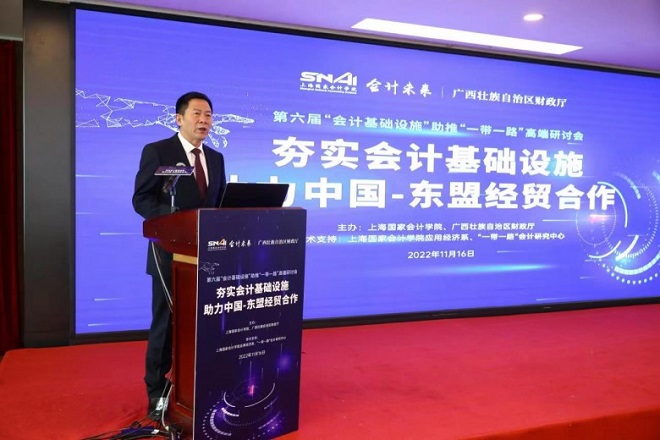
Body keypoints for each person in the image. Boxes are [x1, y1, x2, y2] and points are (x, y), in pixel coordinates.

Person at [132, 91, 227, 420]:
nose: (204, 120)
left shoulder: (215, 158)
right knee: (166, 324)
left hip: (207, 257)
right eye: (197, 113)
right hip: (168, 256)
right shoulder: (159, 151)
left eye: (209, 115)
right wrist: (173, 222)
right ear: (179, 118)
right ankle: (157, 393)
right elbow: (142, 199)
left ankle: (199, 386)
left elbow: (218, 204)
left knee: (206, 323)